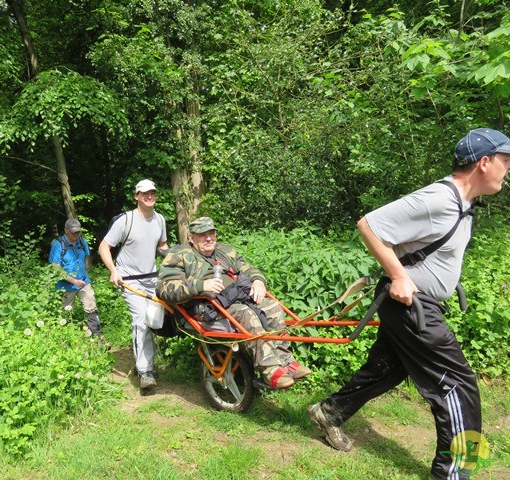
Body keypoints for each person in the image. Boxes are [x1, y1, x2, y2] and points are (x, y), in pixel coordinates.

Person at [308, 128, 510, 479]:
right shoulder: (439, 199)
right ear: (485, 162)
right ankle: (454, 471)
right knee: (458, 385)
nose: (508, 170)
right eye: (506, 162)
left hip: (415, 303)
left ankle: (330, 412)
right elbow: (369, 225)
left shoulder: (463, 204)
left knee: (388, 369)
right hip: (411, 305)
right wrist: (400, 276)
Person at [157, 216, 311, 389]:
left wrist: (258, 281)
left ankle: (285, 361)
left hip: (236, 296)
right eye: (202, 235)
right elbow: (165, 289)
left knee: (273, 307)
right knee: (246, 314)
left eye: (211, 233)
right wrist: (200, 285)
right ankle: (269, 370)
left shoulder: (225, 251)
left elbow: (248, 269)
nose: (208, 238)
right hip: (206, 307)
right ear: (191, 238)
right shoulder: (179, 255)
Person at [99, 179, 168, 391]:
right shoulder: (125, 221)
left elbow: (162, 245)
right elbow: (104, 246)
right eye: (145, 193)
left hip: (152, 278)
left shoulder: (160, 220)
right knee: (141, 319)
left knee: (157, 320)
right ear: (136, 196)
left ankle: (145, 361)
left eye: (153, 193)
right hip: (129, 280)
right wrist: (114, 270)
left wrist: (174, 259)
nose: (150, 196)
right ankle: (145, 372)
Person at [50, 218, 105, 343]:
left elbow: (86, 255)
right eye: (73, 232)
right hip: (66, 285)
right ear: (66, 230)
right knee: (66, 312)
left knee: (91, 305)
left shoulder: (81, 241)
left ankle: (97, 337)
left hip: (84, 281)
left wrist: (85, 270)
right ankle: (66, 340)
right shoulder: (58, 244)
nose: (76, 235)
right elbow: (55, 268)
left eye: (78, 232)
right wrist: (73, 281)